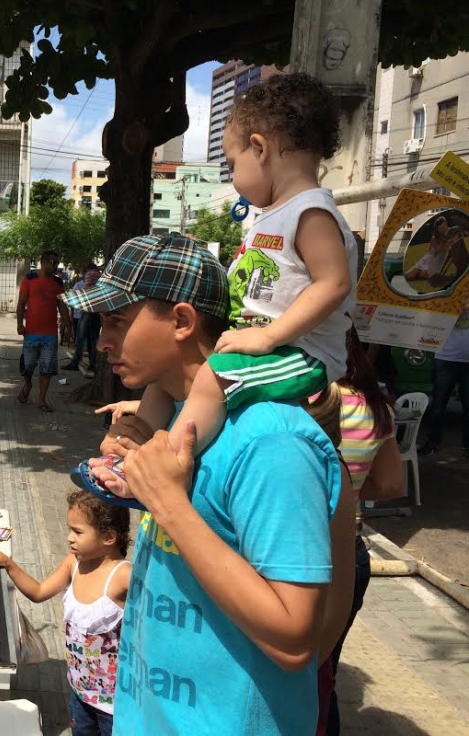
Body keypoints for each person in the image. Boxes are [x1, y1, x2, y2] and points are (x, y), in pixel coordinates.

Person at [65, 232, 342, 735]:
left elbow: (295, 639)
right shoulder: (169, 420)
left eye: (116, 322)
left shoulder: (271, 440)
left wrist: (169, 505)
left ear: (182, 321)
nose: (101, 340)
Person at [132, 72, 357, 465]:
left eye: (232, 163)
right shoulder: (274, 214)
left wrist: (269, 337)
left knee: (214, 376)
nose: (233, 178)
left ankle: (169, 463)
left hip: (302, 353)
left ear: (260, 148)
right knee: (172, 377)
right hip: (268, 346)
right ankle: (139, 443)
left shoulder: (310, 211)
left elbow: (334, 282)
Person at [315, 328, 404, 736]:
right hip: (350, 552)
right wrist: (349, 492)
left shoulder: (298, 398)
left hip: (292, 549)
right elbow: (390, 486)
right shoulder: (375, 407)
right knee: (325, 676)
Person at [0, 491, 131, 736]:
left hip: (114, 706)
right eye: (69, 529)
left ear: (108, 537)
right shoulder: (73, 563)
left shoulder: (124, 576)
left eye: (78, 531)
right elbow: (39, 591)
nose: (69, 538)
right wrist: (8, 564)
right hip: (79, 692)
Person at [17, 250, 71, 412]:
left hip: (50, 335)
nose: (55, 266)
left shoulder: (58, 283)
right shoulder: (29, 279)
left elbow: (62, 306)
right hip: (31, 333)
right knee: (28, 367)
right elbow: (21, 304)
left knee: (46, 369)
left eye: (57, 263)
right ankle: (27, 385)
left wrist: (69, 327)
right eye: (52, 262)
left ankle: (41, 400)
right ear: (43, 262)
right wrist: (20, 324)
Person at [420, 309, 469, 457]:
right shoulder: (449, 296)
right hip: (445, 357)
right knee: (438, 406)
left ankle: (467, 446)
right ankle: (433, 443)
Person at [63, 265, 102, 375]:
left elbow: (88, 289)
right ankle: (93, 364)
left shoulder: (90, 275)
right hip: (97, 310)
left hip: (88, 310)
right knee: (93, 339)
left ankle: (76, 362)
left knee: (80, 337)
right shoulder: (101, 276)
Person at [404, 216, 462, 282]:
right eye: (440, 228)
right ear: (437, 229)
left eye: (444, 226)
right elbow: (430, 251)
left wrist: (447, 240)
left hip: (439, 258)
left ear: (446, 223)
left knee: (423, 273)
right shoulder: (435, 237)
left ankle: (420, 272)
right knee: (410, 274)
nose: (443, 229)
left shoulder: (452, 232)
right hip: (431, 256)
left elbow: (454, 239)